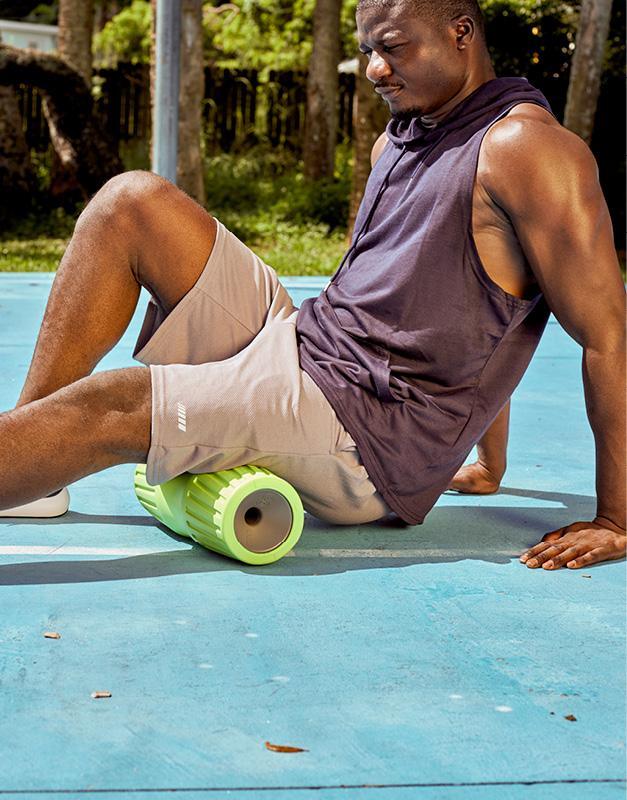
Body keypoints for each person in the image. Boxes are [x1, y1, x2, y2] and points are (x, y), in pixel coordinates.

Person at [0, 0, 624, 572]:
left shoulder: (528, 150)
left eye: (393, 47)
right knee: (130, 204)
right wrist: (489, 464)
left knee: (113, 403)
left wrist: (616, 520)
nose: (375, 68)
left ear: (461, 33)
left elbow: (608, 335)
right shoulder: (400, 138)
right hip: (304, 345)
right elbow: (472, 310)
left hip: (365, 432)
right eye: (367, 50)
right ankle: (33, 476)